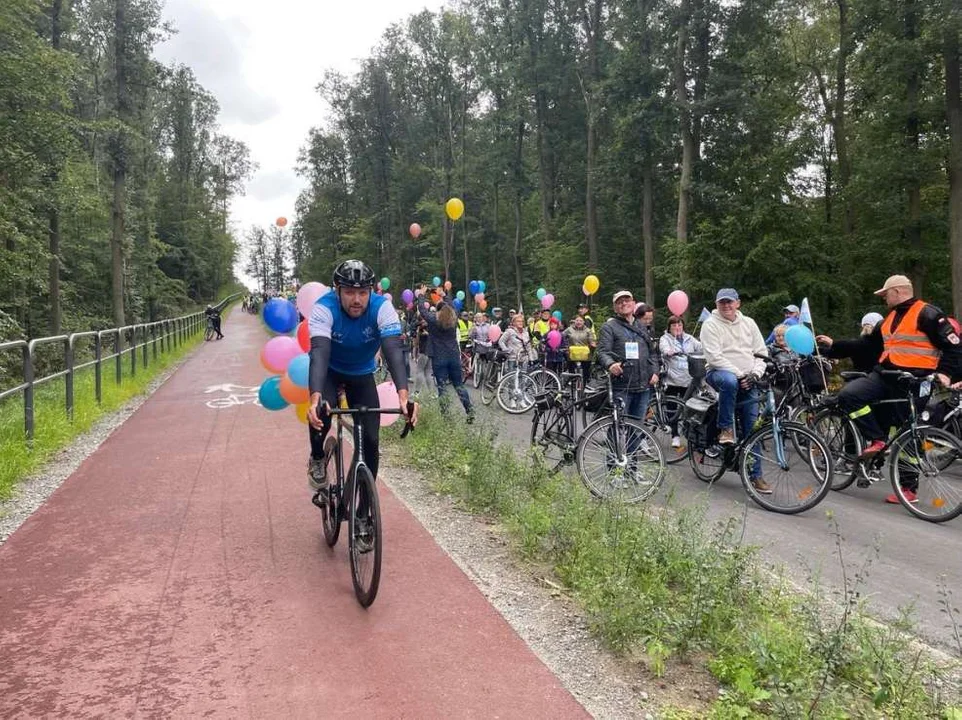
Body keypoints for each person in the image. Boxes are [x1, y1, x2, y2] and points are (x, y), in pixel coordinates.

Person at [815, 274, 962, 503]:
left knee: (909, 435)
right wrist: (835, 347)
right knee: (849, 395)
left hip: (915, 383)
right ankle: (877, 440)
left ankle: (908, 489)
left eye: (885, 294)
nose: (884, 298)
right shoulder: (889, 318)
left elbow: (954, 347)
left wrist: (944, 373)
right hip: (884, 376)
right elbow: (865, 345)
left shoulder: (929, 314)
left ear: (898, 291)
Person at [306, 261, 416, 525]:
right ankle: (318, 456)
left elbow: (392, 351)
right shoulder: (324, 308)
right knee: (321, 409)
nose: (357, 300)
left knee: (371, 443)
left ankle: (363, 514)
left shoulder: (382, 308)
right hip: (331, 371)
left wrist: (403, 395)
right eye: (349, 292)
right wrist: (315, 397)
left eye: (362, 293)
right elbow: (319, 353)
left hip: (362, 374)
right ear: (337, 290)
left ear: (371, 291)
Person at [700, 288, 770, 493]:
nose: (726, 306)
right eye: (722, 302)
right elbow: (714, 357)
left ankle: (755, 475)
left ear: (738, 303)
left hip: (748, 379)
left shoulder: (749, 323)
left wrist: (755, 374)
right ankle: (726, 428)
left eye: (730, 302)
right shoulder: (710, 325)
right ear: (716, 304)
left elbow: (761, 352)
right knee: (730, 381)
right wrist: (740, 374)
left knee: (752, 428)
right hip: (719, 373)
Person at [597, 290, 659, 421]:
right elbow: (602, 351)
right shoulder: (609, 327)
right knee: (619, 426)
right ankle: (612, 442)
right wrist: (610, 364)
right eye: (619, 302)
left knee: (637, 428)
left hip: (644, 385)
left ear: (633, 304)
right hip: (622, 386)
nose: (624, 303)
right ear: (615, 308)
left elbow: (652, 352)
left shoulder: (642, 327)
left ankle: (633, 442)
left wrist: (655, 371)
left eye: (627, 300)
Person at [417, 289, 475, 422]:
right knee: (459, 385)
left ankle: (446, 418)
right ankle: (470, 411)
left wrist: (421, 295)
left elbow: (423, 311)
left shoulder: (433, 320)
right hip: (454, 356)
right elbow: (453, 307)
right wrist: (444, 295)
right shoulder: (454, 320)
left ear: (438, 311)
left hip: (439, 357)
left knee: (442, 387)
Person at [659, 315, 703, 448]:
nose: (677, 328)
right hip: (672, 379)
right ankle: (675, 436)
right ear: (669, 327)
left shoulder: (690, 338)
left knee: (690, 408)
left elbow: (701, 347)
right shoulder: (665, 338)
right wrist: (669, 352)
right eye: (674, 325)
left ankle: (692, 436)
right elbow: (663, 348)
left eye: (679, 325)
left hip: (688, 379)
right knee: (672, 409)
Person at [563, 315, 596, 383]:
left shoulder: (588, 331)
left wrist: (592, 344)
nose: (578, 322)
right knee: (572, 374)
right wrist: (565, 346)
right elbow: (561, 337)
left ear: (584, 322)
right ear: (574, 321)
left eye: (581, 321)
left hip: (585, 355)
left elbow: (591, 340)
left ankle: (583, 387)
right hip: (572, 354)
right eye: (577, 320)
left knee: (585, 374)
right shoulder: (569, 329)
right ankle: (573, 386)